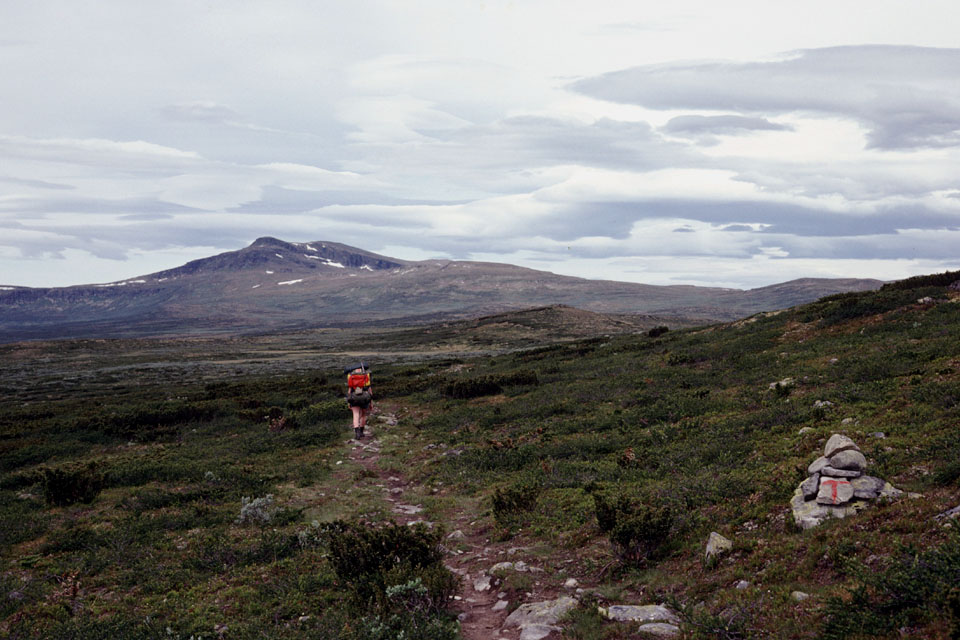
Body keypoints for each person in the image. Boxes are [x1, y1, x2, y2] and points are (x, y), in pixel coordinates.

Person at [344, 362, 373, 439]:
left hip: (354, 397)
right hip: (365, 397)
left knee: (355, 414)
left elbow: (349, 389)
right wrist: (371, 401)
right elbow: (370, 389)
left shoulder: (351, 376)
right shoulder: (366, 376)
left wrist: (348, 401)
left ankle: (357, 433)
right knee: (363, 415)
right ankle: (362, 432)